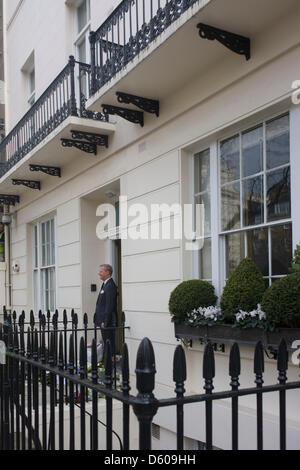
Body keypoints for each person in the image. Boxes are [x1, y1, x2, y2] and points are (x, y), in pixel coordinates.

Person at [95, 264, 118, 359]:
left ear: (108, 273)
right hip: (102, 321)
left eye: (101, 271)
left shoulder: (110, 286)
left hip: (107, 322)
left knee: (109, 343)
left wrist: (105, 320)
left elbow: (109, 305)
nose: (99, 273)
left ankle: (110, 363)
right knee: (106, 342)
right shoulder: (105, 284)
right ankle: (107, 362)